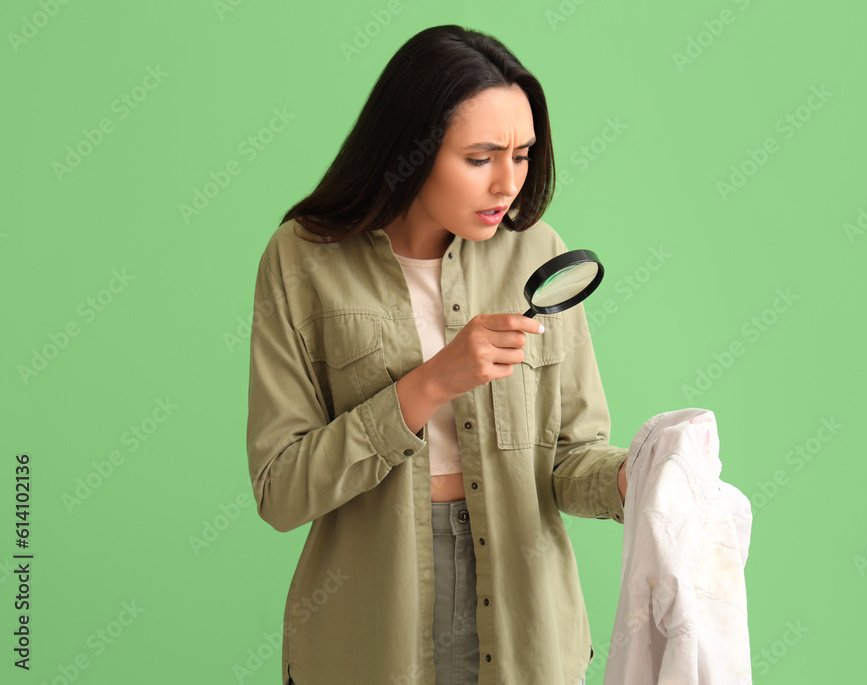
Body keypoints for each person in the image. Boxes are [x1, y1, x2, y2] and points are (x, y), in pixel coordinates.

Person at [246, 24, 628, 685]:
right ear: (410, 149)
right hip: (369, 633)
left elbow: (569, 458)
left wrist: (637, 479)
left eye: (524, 154)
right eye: (480, 158)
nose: (507, 183)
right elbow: (281, 489)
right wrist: (429, 383)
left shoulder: (537, 254)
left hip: (527, 630)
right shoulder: (302, 260)